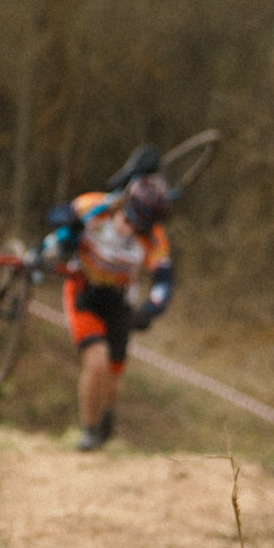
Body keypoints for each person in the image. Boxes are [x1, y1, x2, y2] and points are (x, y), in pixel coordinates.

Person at [39, 148, 175, 452]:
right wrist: (68, 221)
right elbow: (56, 214)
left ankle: (106, 420)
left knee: (113, 376)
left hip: (119, 301)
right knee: (96, 364)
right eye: (126, 217)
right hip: (83, 291)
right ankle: (88, 430)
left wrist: (150, 310)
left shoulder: (154, 241)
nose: (128, 227)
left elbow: (165, 281)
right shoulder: (95, 207)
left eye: (137, 225)